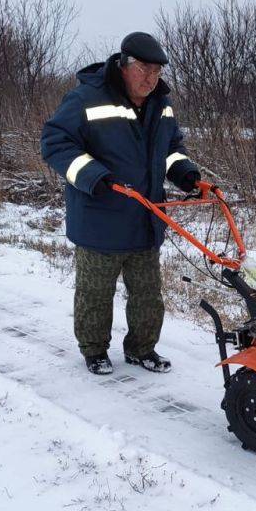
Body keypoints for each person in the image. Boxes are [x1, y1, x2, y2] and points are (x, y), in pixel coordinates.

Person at [41, 32, 202, 375]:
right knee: (95, 294)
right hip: (100, 217)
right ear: (125, 64)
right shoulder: (87, 97)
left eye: (157, 71)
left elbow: (170, 148)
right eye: (144, 69)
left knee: (147, 294)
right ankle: (94, 350)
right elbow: (55, 142)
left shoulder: (162, 104)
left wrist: (185, 172)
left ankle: (143, 349)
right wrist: (93, 176)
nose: (151, 78)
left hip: (146, 218)